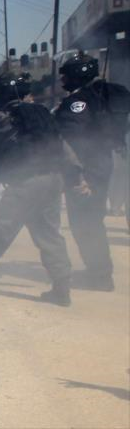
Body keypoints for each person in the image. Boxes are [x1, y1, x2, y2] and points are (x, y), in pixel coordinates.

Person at [0, 71, 86, 306]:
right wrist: (76, 177)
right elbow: (62, 145)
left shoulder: (4, 116)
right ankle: (62, 288)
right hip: (52, 179)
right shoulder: (43, 113)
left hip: (26, 182)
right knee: (49, 235)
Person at [53, 50, 130, 291]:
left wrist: (80, 175)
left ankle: (100, 276)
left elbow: (73, 140)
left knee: (86, 221)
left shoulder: (79, 102)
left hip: (89, 167)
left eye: (65, 76)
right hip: (107, 161)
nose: (62, 81)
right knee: (92, 219)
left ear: (77, 75)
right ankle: (98, 271)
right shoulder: (109, 94)